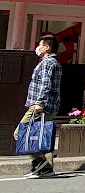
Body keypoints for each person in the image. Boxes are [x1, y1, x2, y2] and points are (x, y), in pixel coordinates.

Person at [15, 34, 62, 177]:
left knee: (21, 133)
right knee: (42, 136)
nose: (38, 47)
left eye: (40, 44)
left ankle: (41, 164)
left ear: (47, 47)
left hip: (41, 105)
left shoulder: (47, 63)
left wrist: (39, 102)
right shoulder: (54, 62)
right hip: (50, 105)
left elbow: (45, 84)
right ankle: (45, 169)